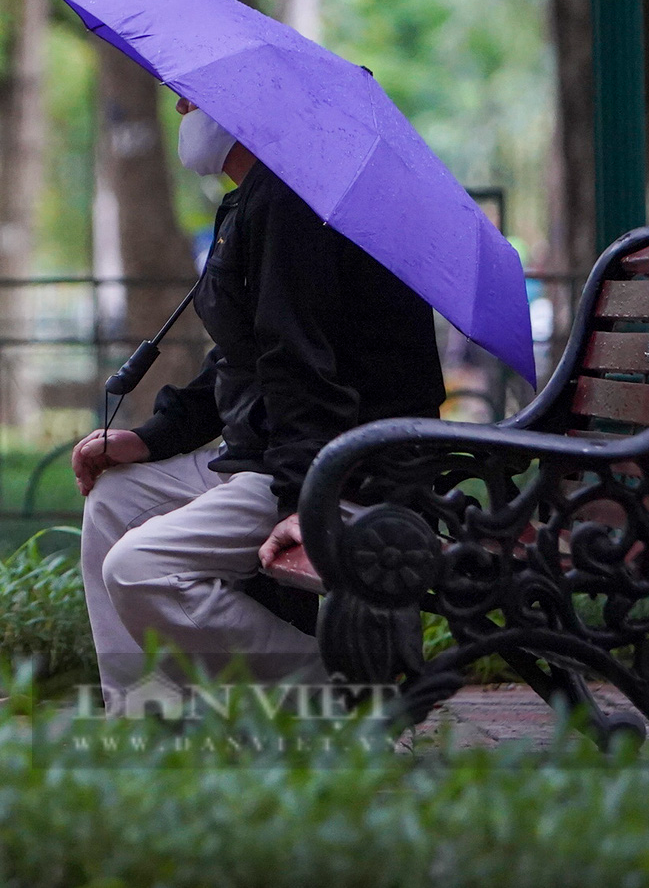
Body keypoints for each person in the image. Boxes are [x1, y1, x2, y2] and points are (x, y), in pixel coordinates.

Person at [74, 96, 445, 700]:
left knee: (139, 569)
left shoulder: (294, 204)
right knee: (115, 498)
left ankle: (337, 693)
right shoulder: (254, 200)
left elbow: (301, 368)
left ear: (239, 104)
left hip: (346, 468)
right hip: (275, 453)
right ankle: (143, 710)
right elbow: (244, 359)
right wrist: (152, 437)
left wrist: (308, 502)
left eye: (191, 98)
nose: (176, 108)